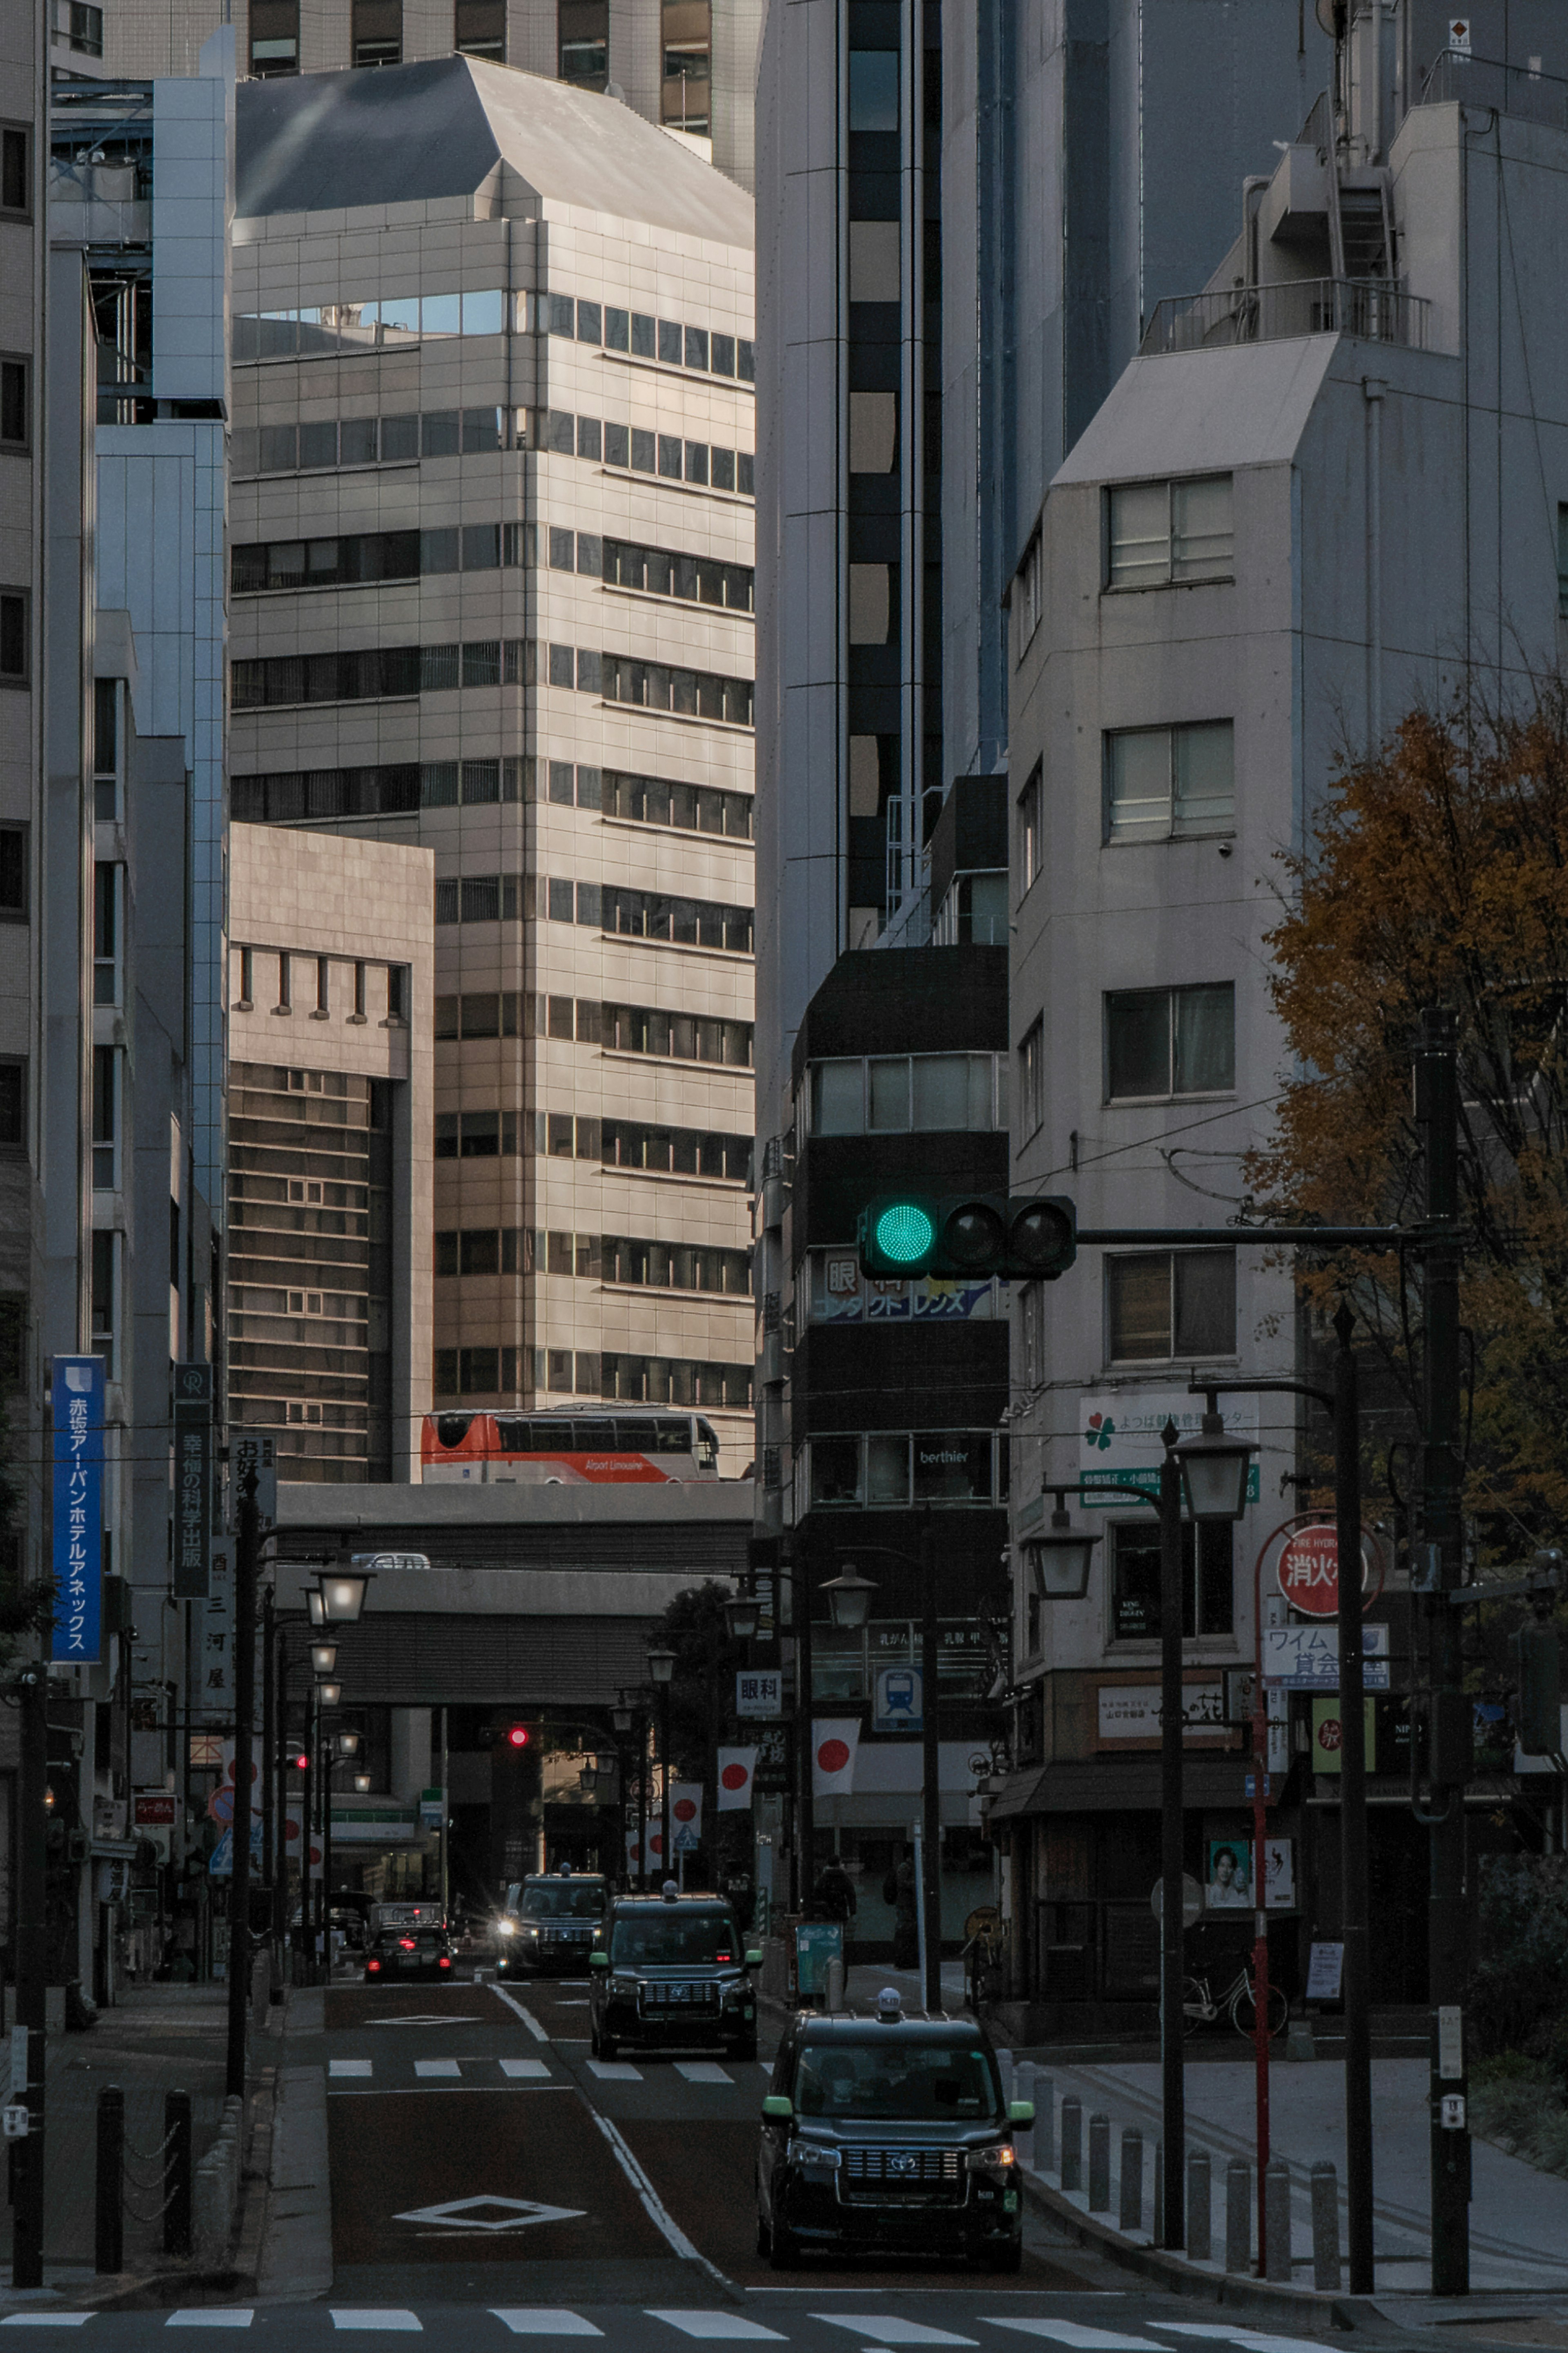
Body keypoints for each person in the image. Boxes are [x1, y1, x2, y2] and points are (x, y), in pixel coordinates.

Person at [816, 1859, 856, 1928]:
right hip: (841, 1907)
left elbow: (817, 1892)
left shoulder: (823, 1878)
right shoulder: (844, 1878)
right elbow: (851, 1894)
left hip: (826, 1909)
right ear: (839, 1864)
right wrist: (853, 1910)